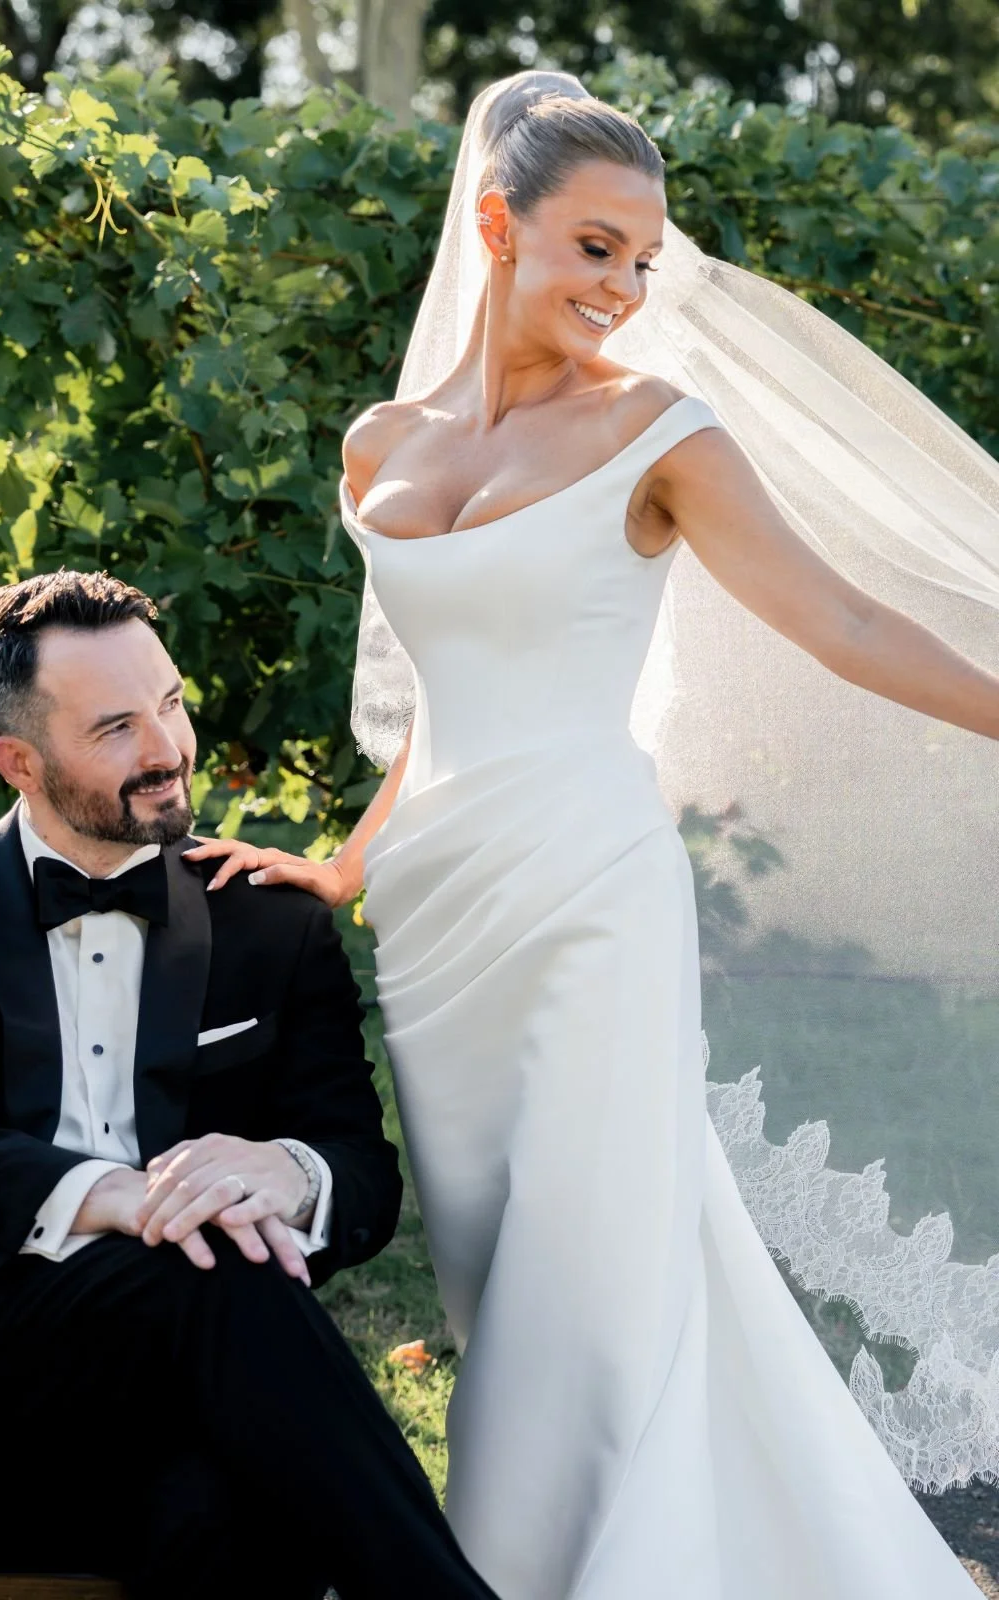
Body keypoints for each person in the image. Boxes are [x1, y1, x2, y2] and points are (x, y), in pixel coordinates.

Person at [187, 73, 999, 1599]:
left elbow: (841, 619)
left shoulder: (661, 434)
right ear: (497, 227)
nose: (627, 288)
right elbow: (443, 691)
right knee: (500, 1281)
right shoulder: (382, 446)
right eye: (595, 248)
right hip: (440, 912)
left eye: (646, 257)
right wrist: (349, 863)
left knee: (603, 1269)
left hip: (591, 892)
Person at [0, 570, 500, 1600]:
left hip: (185, 1365)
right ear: (18, 761)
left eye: (171, 704)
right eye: (117, 727)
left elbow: (360, 1172)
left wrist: (287, 1171)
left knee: (215, 1500)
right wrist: (127, 1197)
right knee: (207, 1267)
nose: (168, 749)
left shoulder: (271, 919)